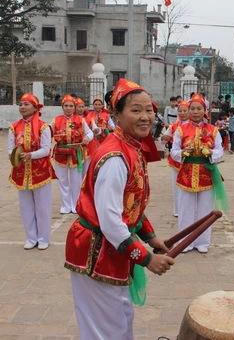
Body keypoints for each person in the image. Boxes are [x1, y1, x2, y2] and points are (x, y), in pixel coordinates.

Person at [64, 78, 174, 339]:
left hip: (111, 247)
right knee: (105, 327)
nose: (145, 117)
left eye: (149, 110)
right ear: (116, 114)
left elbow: (131, 203)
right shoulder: (115, 157)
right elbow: (111, 220)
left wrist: (150, 237)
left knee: (120, 318)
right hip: (96, 249)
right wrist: (147, 259)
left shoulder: (131, 147)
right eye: (136, 110)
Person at [171, 94, 227, 253]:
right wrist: (183, 153)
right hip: (186, 173)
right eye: (192, 109)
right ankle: (185, 241)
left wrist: (209, 153)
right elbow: (173, 152)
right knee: (185, 209)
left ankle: (203, 242)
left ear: (205, 110)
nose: (195, 112)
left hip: (206, 174)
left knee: (205, 210)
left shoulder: (213, 130)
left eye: (199, 108)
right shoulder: (181, 130)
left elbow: (220, 152)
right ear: (188, 111)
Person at [8, 93, 55, 250]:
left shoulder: (43, 127)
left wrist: (30, 155)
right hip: (21, 172)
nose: (22, 107)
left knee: (42, 207)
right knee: (26, 207)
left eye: (26, 104)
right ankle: (30, 237)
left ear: (35, 108)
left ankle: (43, 238)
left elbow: (46, 150)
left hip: (40, 171)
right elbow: (10, 150)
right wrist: (15, 156)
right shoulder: (13, 127)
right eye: (20, 104)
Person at [52, 94, 93, 214]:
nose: (68, 108)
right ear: (62, 106)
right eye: (66, 106)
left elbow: (90, 133)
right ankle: (65, 205)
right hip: (60, 153)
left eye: (71, 106)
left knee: (76, 181)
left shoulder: (81, 120)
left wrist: (87, 138)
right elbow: (48, 133)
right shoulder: (56, 120)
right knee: (62, 180)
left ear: (74, 107)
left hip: (76, 153)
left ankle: (75, 204)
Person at [161, 100, 190, 218]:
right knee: (176, 185)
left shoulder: (193, 126)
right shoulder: (173, 126)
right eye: (180, 111)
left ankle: (188, 208)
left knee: (188, 184)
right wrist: (165, 137)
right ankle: (177, 210)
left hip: (189, 160)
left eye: (185, 110)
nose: (182, 113)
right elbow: (163, 139)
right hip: (176, 159)